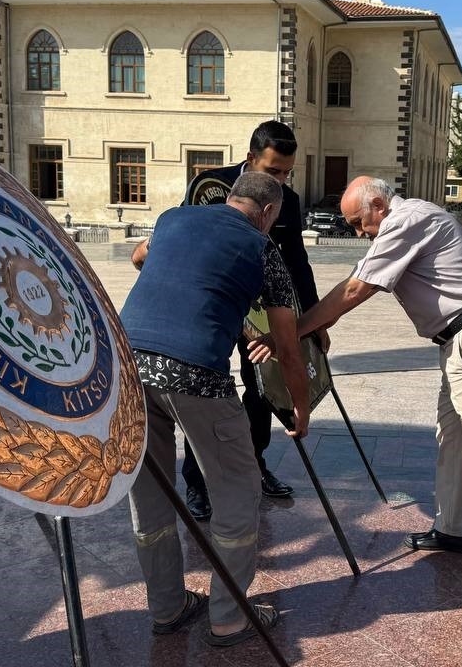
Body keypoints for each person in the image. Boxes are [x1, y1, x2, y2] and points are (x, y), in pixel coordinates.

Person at [279, 175, 462, 586]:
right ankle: (454, 529)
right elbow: (356, 281)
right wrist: (319, 322)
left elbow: (358, 287)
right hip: (460, 338)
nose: (359, 232)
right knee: (452, 438)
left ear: (378, 204)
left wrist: (299, 329)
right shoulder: (401, 220)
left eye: (359, 221)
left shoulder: (407, 219)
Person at [121, 172, 311, 645]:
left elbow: (139, 255)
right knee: (237, 495)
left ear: (230, 199)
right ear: (269, 213)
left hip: (127, 372)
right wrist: (298, 410)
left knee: (151, 497)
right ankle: (228, 617)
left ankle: (167, 608)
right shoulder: (263, 248)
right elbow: (289, 349)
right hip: (197, 375)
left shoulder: (172, 219)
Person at [176, 120, 323, 520]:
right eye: (273, 171)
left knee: (263, 391)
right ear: (250, 159)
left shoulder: (287, 201)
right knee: (202, 389)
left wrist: (312, 319)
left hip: (265, 309)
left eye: (287, 172)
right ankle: (197, 482)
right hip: (217, 306)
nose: (281, 180)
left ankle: (256, 465)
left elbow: (297, 262)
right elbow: (191, 244)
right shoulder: (211, 186)